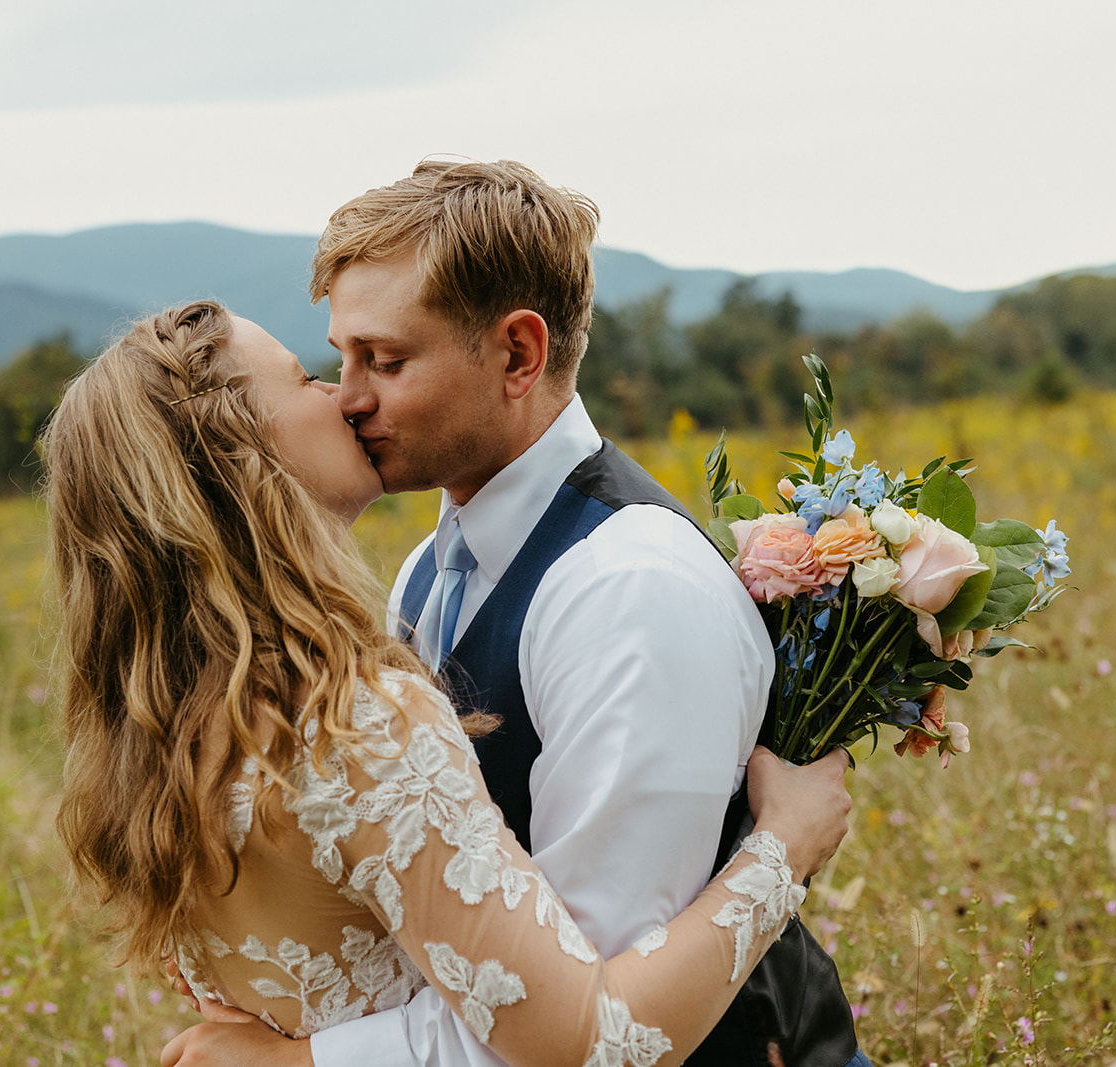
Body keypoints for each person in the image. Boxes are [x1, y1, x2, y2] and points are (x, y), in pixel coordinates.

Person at [162, 160, 869, 1067]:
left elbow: (592, 1014)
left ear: (518, 355)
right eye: (342, 358)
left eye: (386, 360)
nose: (349, 396)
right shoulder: (429, 567)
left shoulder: (628, 586)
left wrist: (300, 1062)